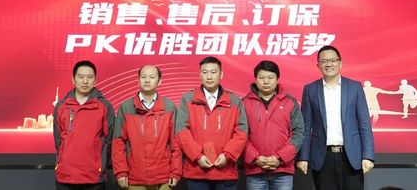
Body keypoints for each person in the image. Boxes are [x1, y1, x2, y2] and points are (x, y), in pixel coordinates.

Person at [296, 45, 375, 190]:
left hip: (351, 156)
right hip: (323, 157)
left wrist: (368, 155)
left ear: (340, 63)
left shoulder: (355, 87)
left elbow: (364, 123)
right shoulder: (310, 90)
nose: (329, 64)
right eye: (324, 61)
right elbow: (305, 127)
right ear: (318, 65)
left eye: (332, 60)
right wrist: (303, 157)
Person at [175, 56, 248, 190]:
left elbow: (241, 132)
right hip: (197, 171)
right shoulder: (188, 99)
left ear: (221, 74)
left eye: (213, 72)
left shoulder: (234, 101)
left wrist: (227, 155)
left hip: (225, 171)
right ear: (199, 75)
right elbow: (181, 131)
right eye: (205, 72)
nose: (209, 77)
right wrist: (197, 156)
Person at [112, 65, 182, 190]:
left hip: (164, 177)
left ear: (160, 81)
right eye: (143, 77)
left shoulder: (169, 107)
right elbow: (118, 142)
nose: (147, 80)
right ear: (138, 80)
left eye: (152, 77)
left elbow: (176, 142)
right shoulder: (126, 107)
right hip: (134, 177)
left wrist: (176, 171)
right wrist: (121, 171)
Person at [53, 60, 115, 190]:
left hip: (94, 177)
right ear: (73, 79)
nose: (85, 81)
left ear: (95, 80)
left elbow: (109, 141)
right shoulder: (61, 106)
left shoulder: (105, 106)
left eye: (90, 77)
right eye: (81, 77)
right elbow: (59, 141)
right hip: (65, 176)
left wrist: (100, 163)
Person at [242, 60, 304, 190]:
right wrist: (255, 158)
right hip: (255, 170)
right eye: (261, 77)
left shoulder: (290, 102)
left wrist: (280, 158)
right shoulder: (244, 103)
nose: (266, 81)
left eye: (270, 78)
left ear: (277, 79)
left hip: (283, 170)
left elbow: (298, 133)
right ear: (255, 79)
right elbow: (240, 134)